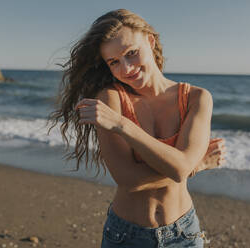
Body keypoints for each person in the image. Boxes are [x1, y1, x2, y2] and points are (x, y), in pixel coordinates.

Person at [48, 9, 226, 248]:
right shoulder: (111, 99)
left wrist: (122, 125)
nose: (127, 68)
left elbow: (181, 167)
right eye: (114, 62)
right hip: (126, 236)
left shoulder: (197, 98)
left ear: (150, 41)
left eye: (131, 53)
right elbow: (129, 180)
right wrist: (197, 165)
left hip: (184, 234)